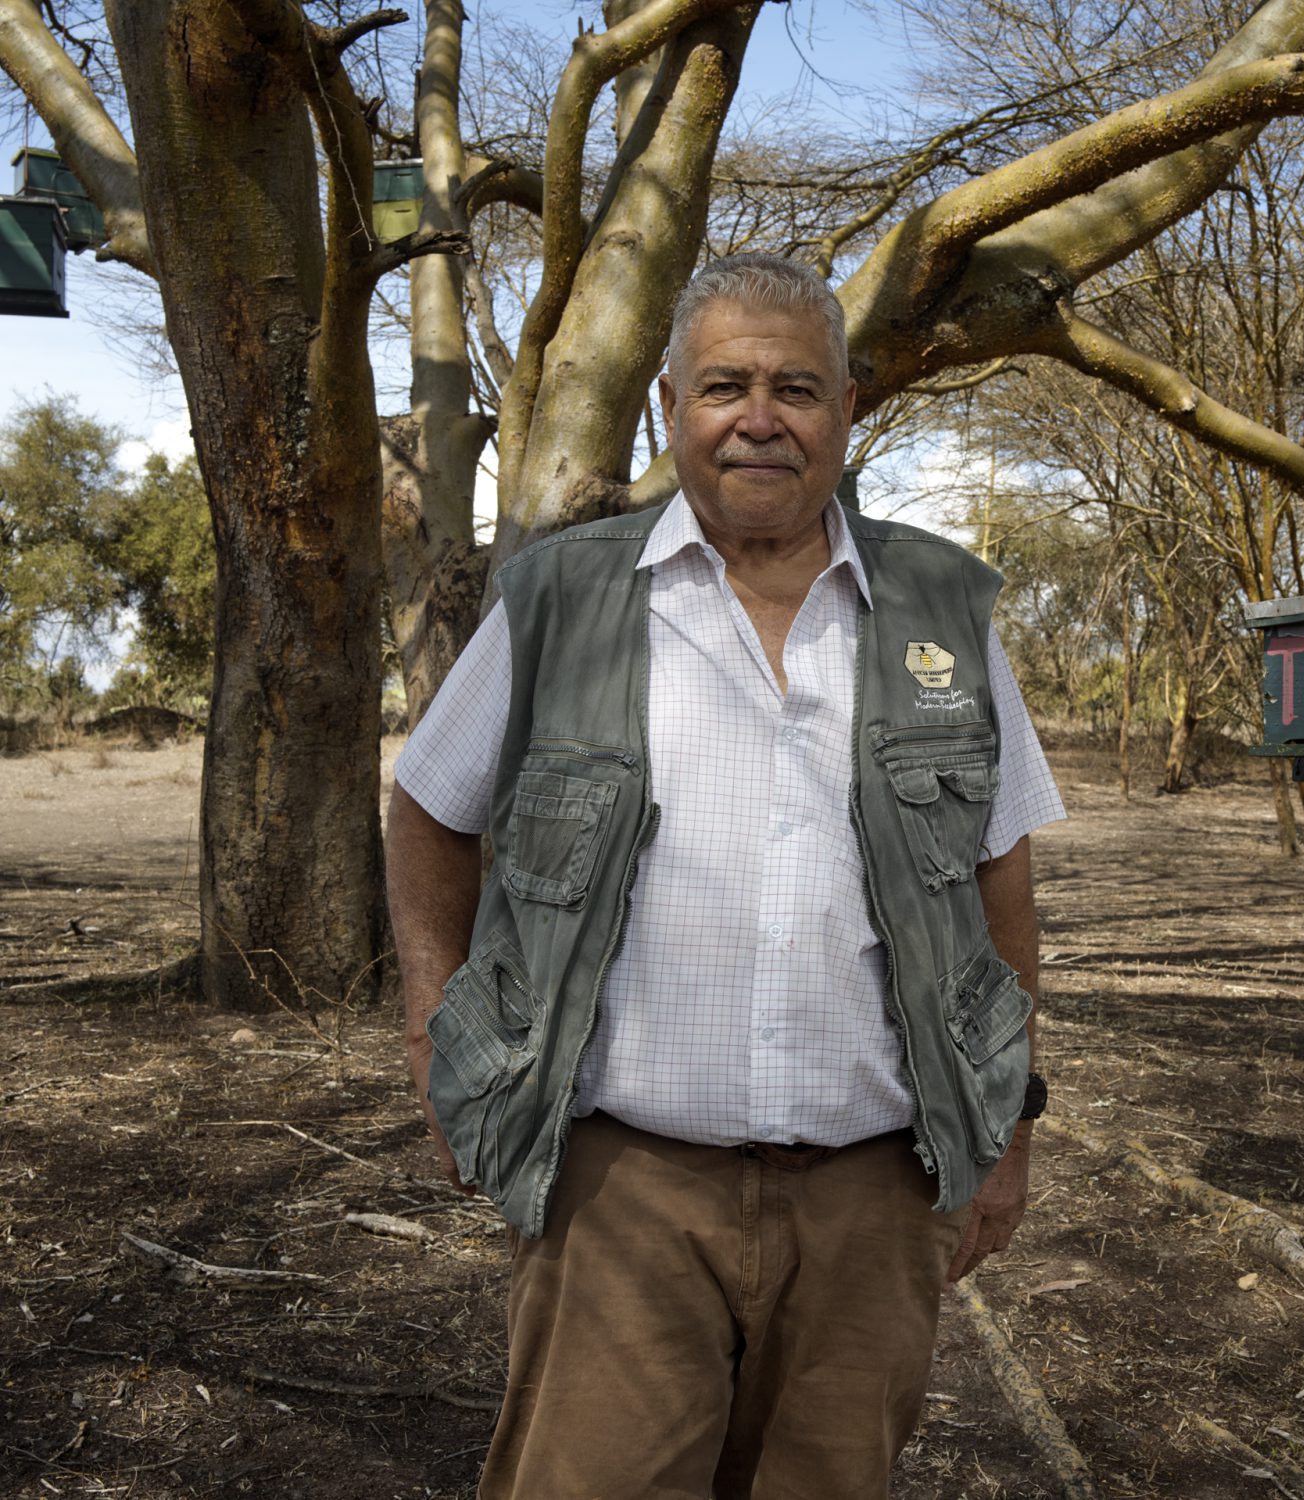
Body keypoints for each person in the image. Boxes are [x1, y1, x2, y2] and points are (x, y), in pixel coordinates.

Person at [385, 252, 1064, 1499]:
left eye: (797, 387)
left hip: (876, 1189)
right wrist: (441, 1041)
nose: (761, 418)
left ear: (849, 411)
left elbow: (997, 878)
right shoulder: (562, 600)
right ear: (668, 409)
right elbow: (430, 810)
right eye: (725, 386)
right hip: (617, 1186)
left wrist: (1007, 1130)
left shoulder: (941, 612)